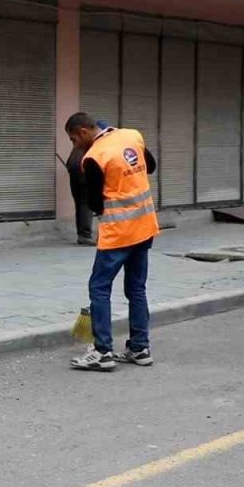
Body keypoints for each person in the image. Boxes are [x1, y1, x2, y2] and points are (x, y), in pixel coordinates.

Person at [64, 112, 159, 371]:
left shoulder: (94, 157)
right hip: (145, 227)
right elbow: (149, 166)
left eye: (73, 139)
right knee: (137, 289)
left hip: (119, 232)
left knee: (99, 287)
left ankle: (103, 351)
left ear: (84, 132)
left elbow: (94, 202)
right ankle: (140, 348)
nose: (74, 145)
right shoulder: (131, 135)